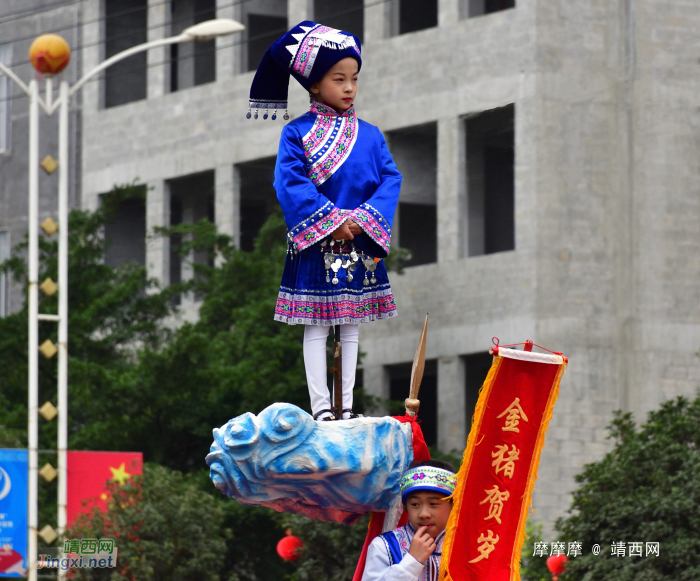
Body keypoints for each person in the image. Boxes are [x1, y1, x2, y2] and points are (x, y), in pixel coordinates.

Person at [247, 21, 401, 421]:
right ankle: (321, 409)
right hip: (318, 238)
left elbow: (390, 178)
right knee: (316, 325)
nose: (349, 87)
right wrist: (332, 221)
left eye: (354, 78)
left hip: (358, 239)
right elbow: (289, 183)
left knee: (350, 325)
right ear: (314, 85)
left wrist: (363, 220)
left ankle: (346, 405)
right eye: (339, 79)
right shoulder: (295, 133)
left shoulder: (371, 135)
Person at [362, 460, 457, 581]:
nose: (424, 514)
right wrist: (412, 561)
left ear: (453, 506)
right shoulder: (384, 546)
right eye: (415, 504)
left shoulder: (466, 546)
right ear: (406, 507)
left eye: (433, 504)